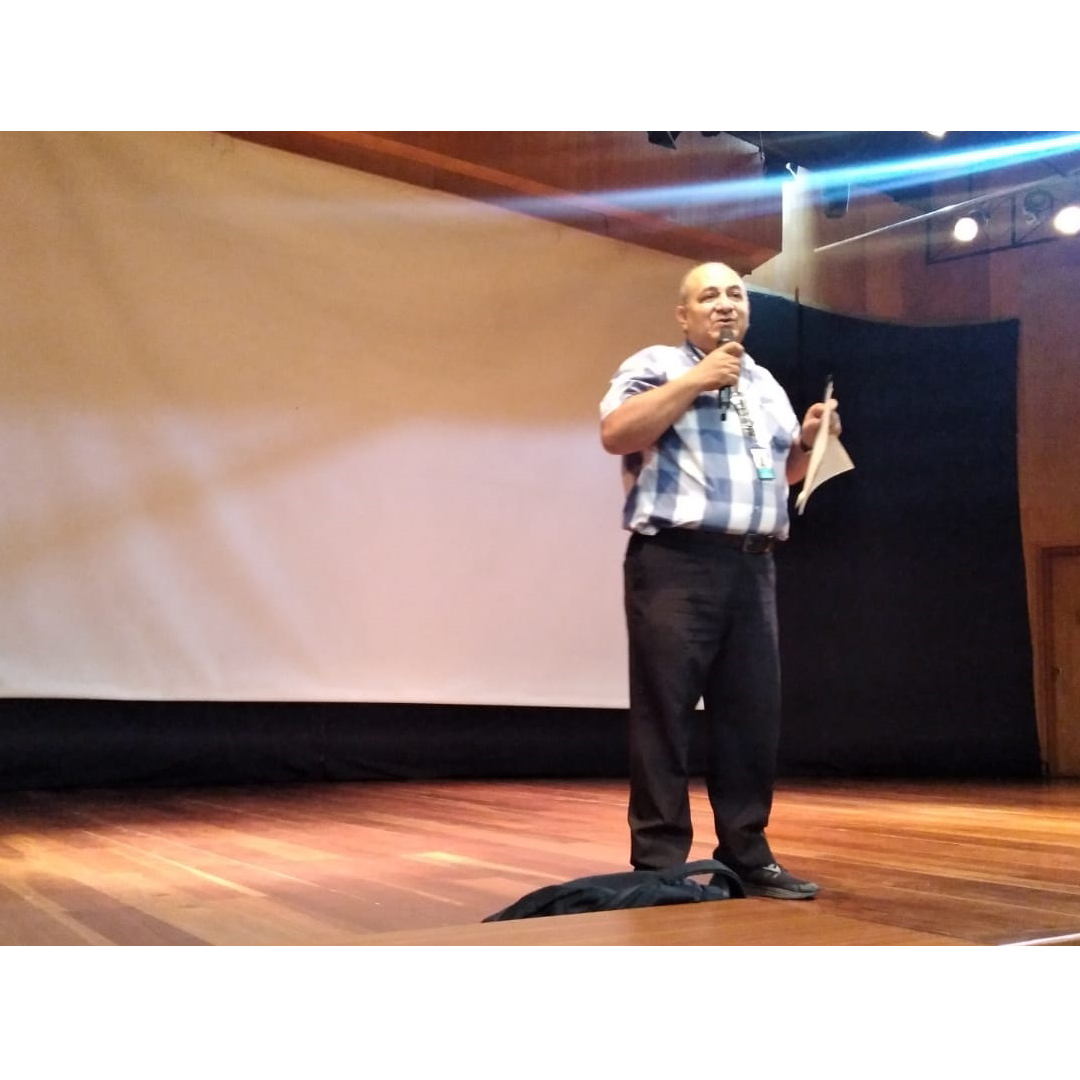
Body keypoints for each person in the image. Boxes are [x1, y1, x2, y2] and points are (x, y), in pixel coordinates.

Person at [599, 262, 840, 900]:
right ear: (685, 315)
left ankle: (746, 851)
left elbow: (782, 473)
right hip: (676, 561)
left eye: (735, 293)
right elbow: (616, 432)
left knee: (751, 715)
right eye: (709, 296)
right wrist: (695, 380)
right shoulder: (656, 363)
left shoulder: (764, 383)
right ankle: (659, 864)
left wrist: (806, 442)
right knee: (666, 714)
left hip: (754, 564)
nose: (726, 304)